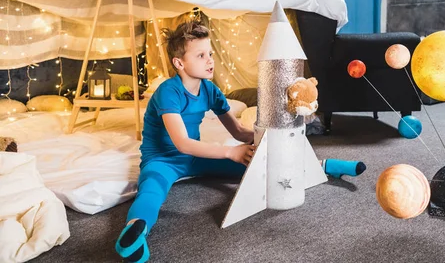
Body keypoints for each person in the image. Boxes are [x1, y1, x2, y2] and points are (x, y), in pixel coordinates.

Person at [115, 21, 365, 263]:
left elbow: (239, 133)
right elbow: (182, 143)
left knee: (259, 164)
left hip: (196, 159)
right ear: (179, 63)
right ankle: (136, 232)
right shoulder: (168, 91)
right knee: (152, 189)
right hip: (163, 160)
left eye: (210, 53)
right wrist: (229, 153)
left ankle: (323, 166)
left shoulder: (210, 90)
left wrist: (269, 138)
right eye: (201, 55)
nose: (210, 60)